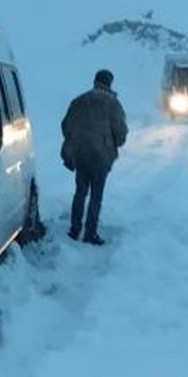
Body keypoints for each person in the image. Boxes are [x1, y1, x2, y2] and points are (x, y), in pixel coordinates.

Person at [60, 69, 128, 245]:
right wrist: (113, 143)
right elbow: (121, 132)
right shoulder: (113, 103)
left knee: (80, 192)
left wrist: (76, 141)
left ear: (95, 81)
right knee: (96, 195)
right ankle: (90, 233)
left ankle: (74, 229)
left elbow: (66, 125)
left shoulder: (79, 101)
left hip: (81, 154)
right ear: (110, 83)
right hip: (101, 156)